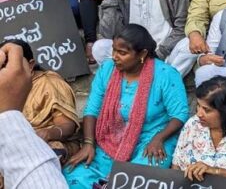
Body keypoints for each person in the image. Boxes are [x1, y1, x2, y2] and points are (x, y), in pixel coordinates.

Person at [64, 25, 188, 189]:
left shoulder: (166, 74)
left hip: (152, 140)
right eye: (114, 50)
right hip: (111, 139)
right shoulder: (107, 69)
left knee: (139, 180)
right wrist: (88, 143)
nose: (115, 57)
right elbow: (91, 110)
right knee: (73, 173)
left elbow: (180, 114)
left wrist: (159, 138)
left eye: (122, 53)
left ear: (142, 54)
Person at [0, 42, 71, 188]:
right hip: (14, 142)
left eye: (11, 63)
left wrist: (48, 133)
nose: (7, 70)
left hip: (48, 142)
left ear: (30, 64)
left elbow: (67, 125)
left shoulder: (50, 83)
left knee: (54, 149)